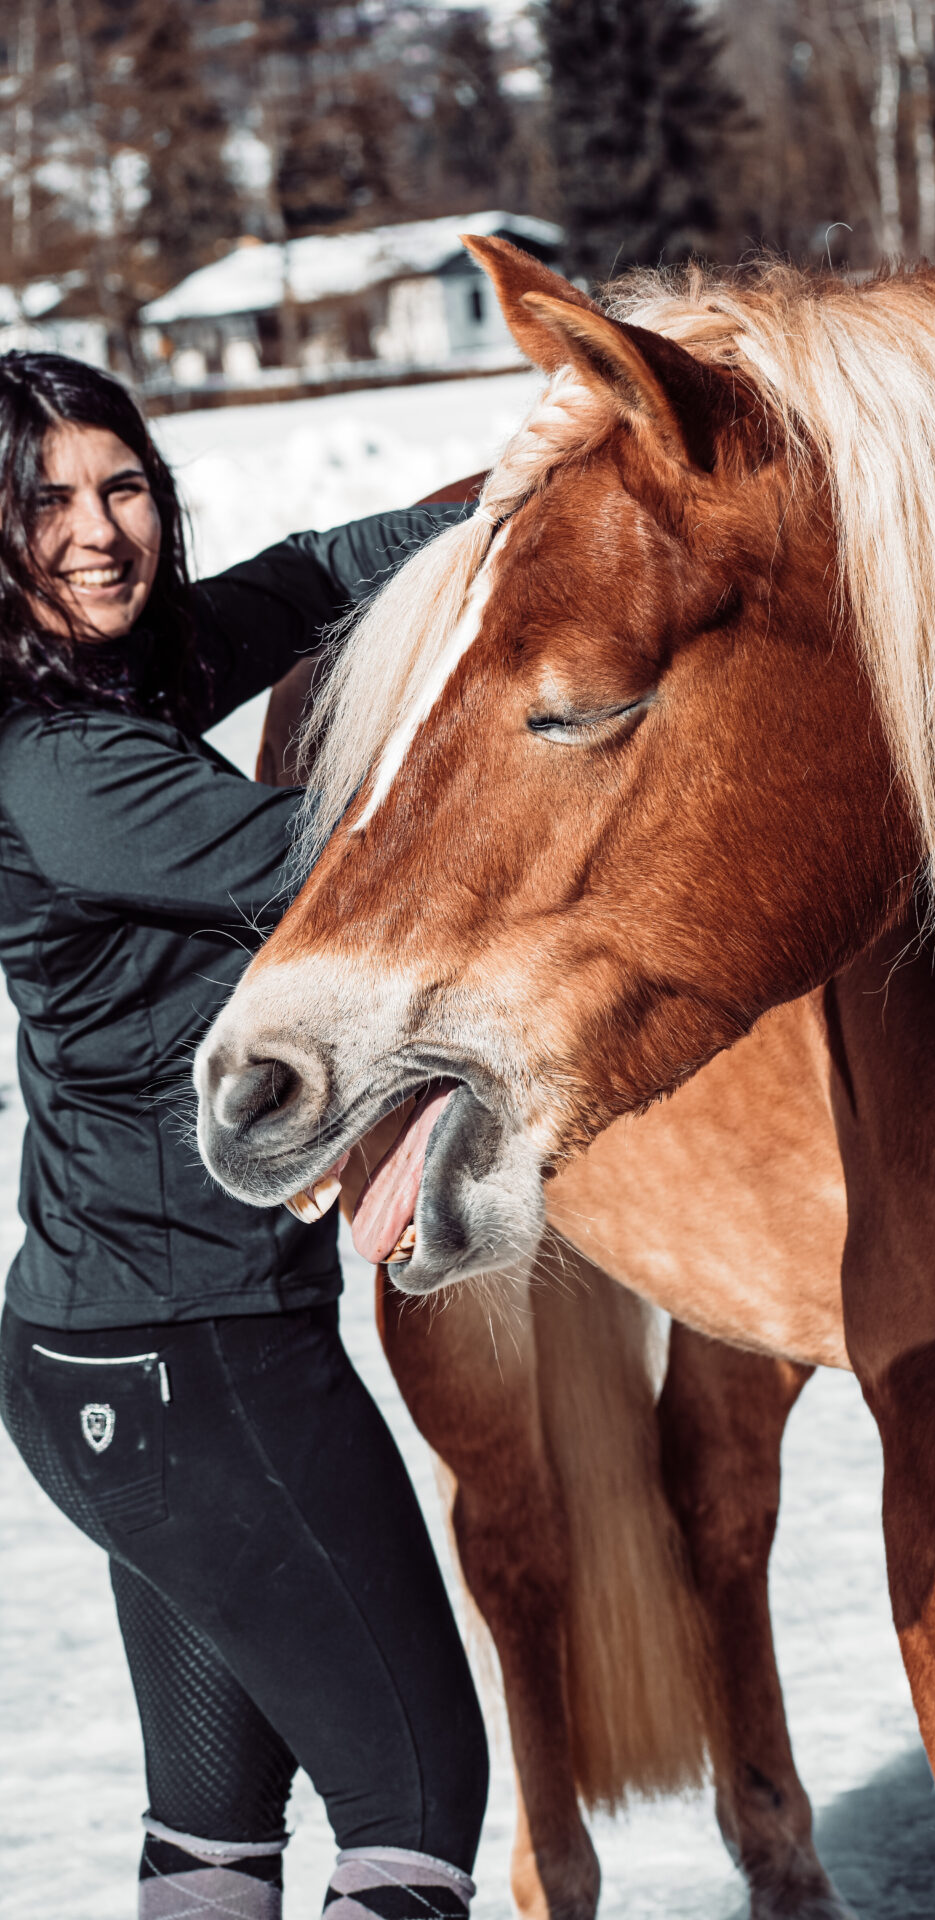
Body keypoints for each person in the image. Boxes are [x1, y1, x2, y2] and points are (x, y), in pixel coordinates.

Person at [0, 352, 488, 1920]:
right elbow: (371, 873)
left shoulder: (111, 675)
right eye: (44, 501)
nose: (98, 530)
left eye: (123, 484)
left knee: (212, 1826)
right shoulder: (61, 763)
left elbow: (311, 578)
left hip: (117, 1354)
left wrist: (518, 506)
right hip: (193, 1360)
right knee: (415, 1807)